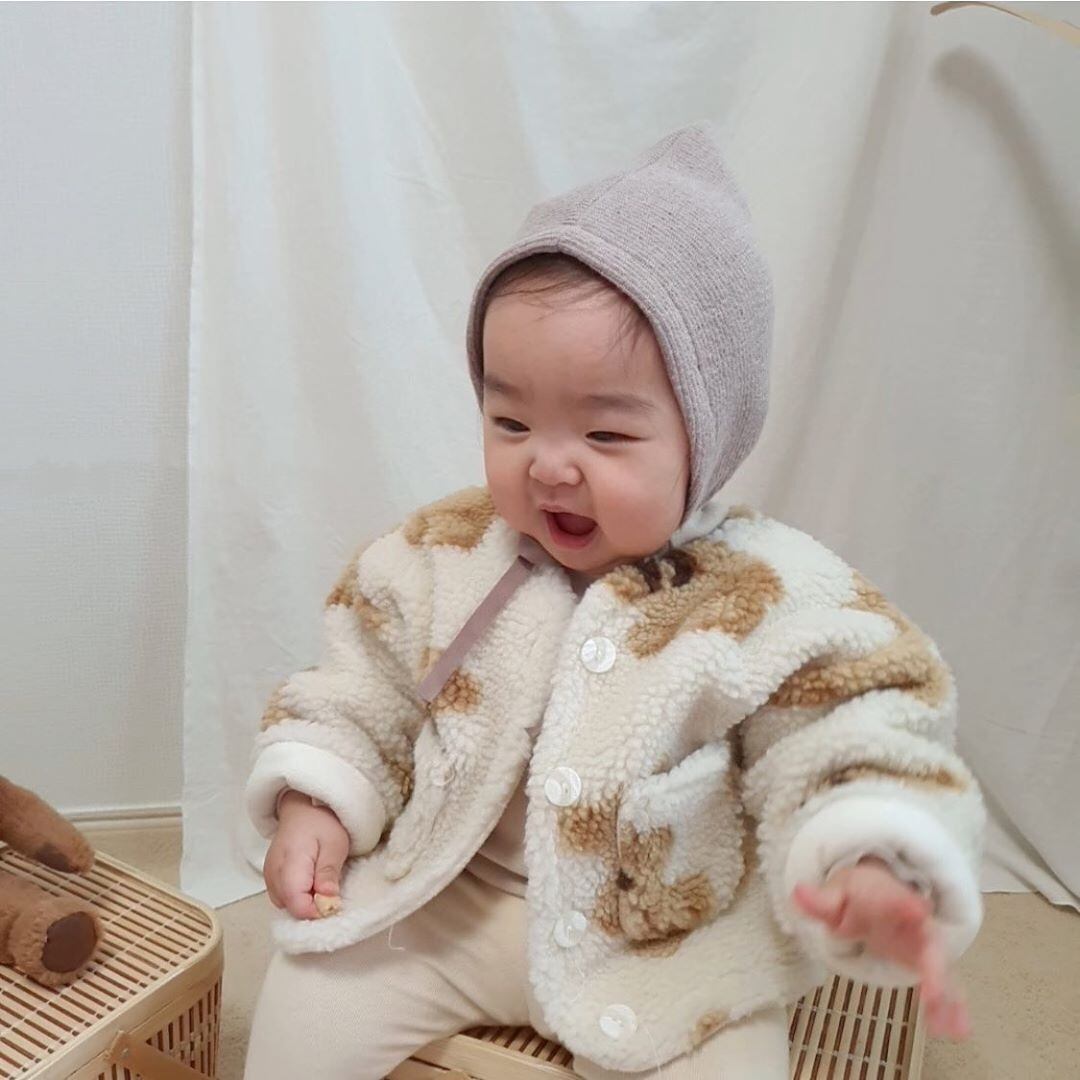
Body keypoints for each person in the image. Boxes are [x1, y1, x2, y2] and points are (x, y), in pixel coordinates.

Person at [242, 124, 984, 1079]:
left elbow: (854, 722)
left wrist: (871, 852)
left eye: (605, 434)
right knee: (308, 998)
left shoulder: (762, 594)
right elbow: (361, 688)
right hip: (448, 906)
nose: (549, 465)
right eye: (511, 420)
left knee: (736, 1064)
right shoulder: (441, 555)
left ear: (706, 439)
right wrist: (318, 802)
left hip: (666, 947)